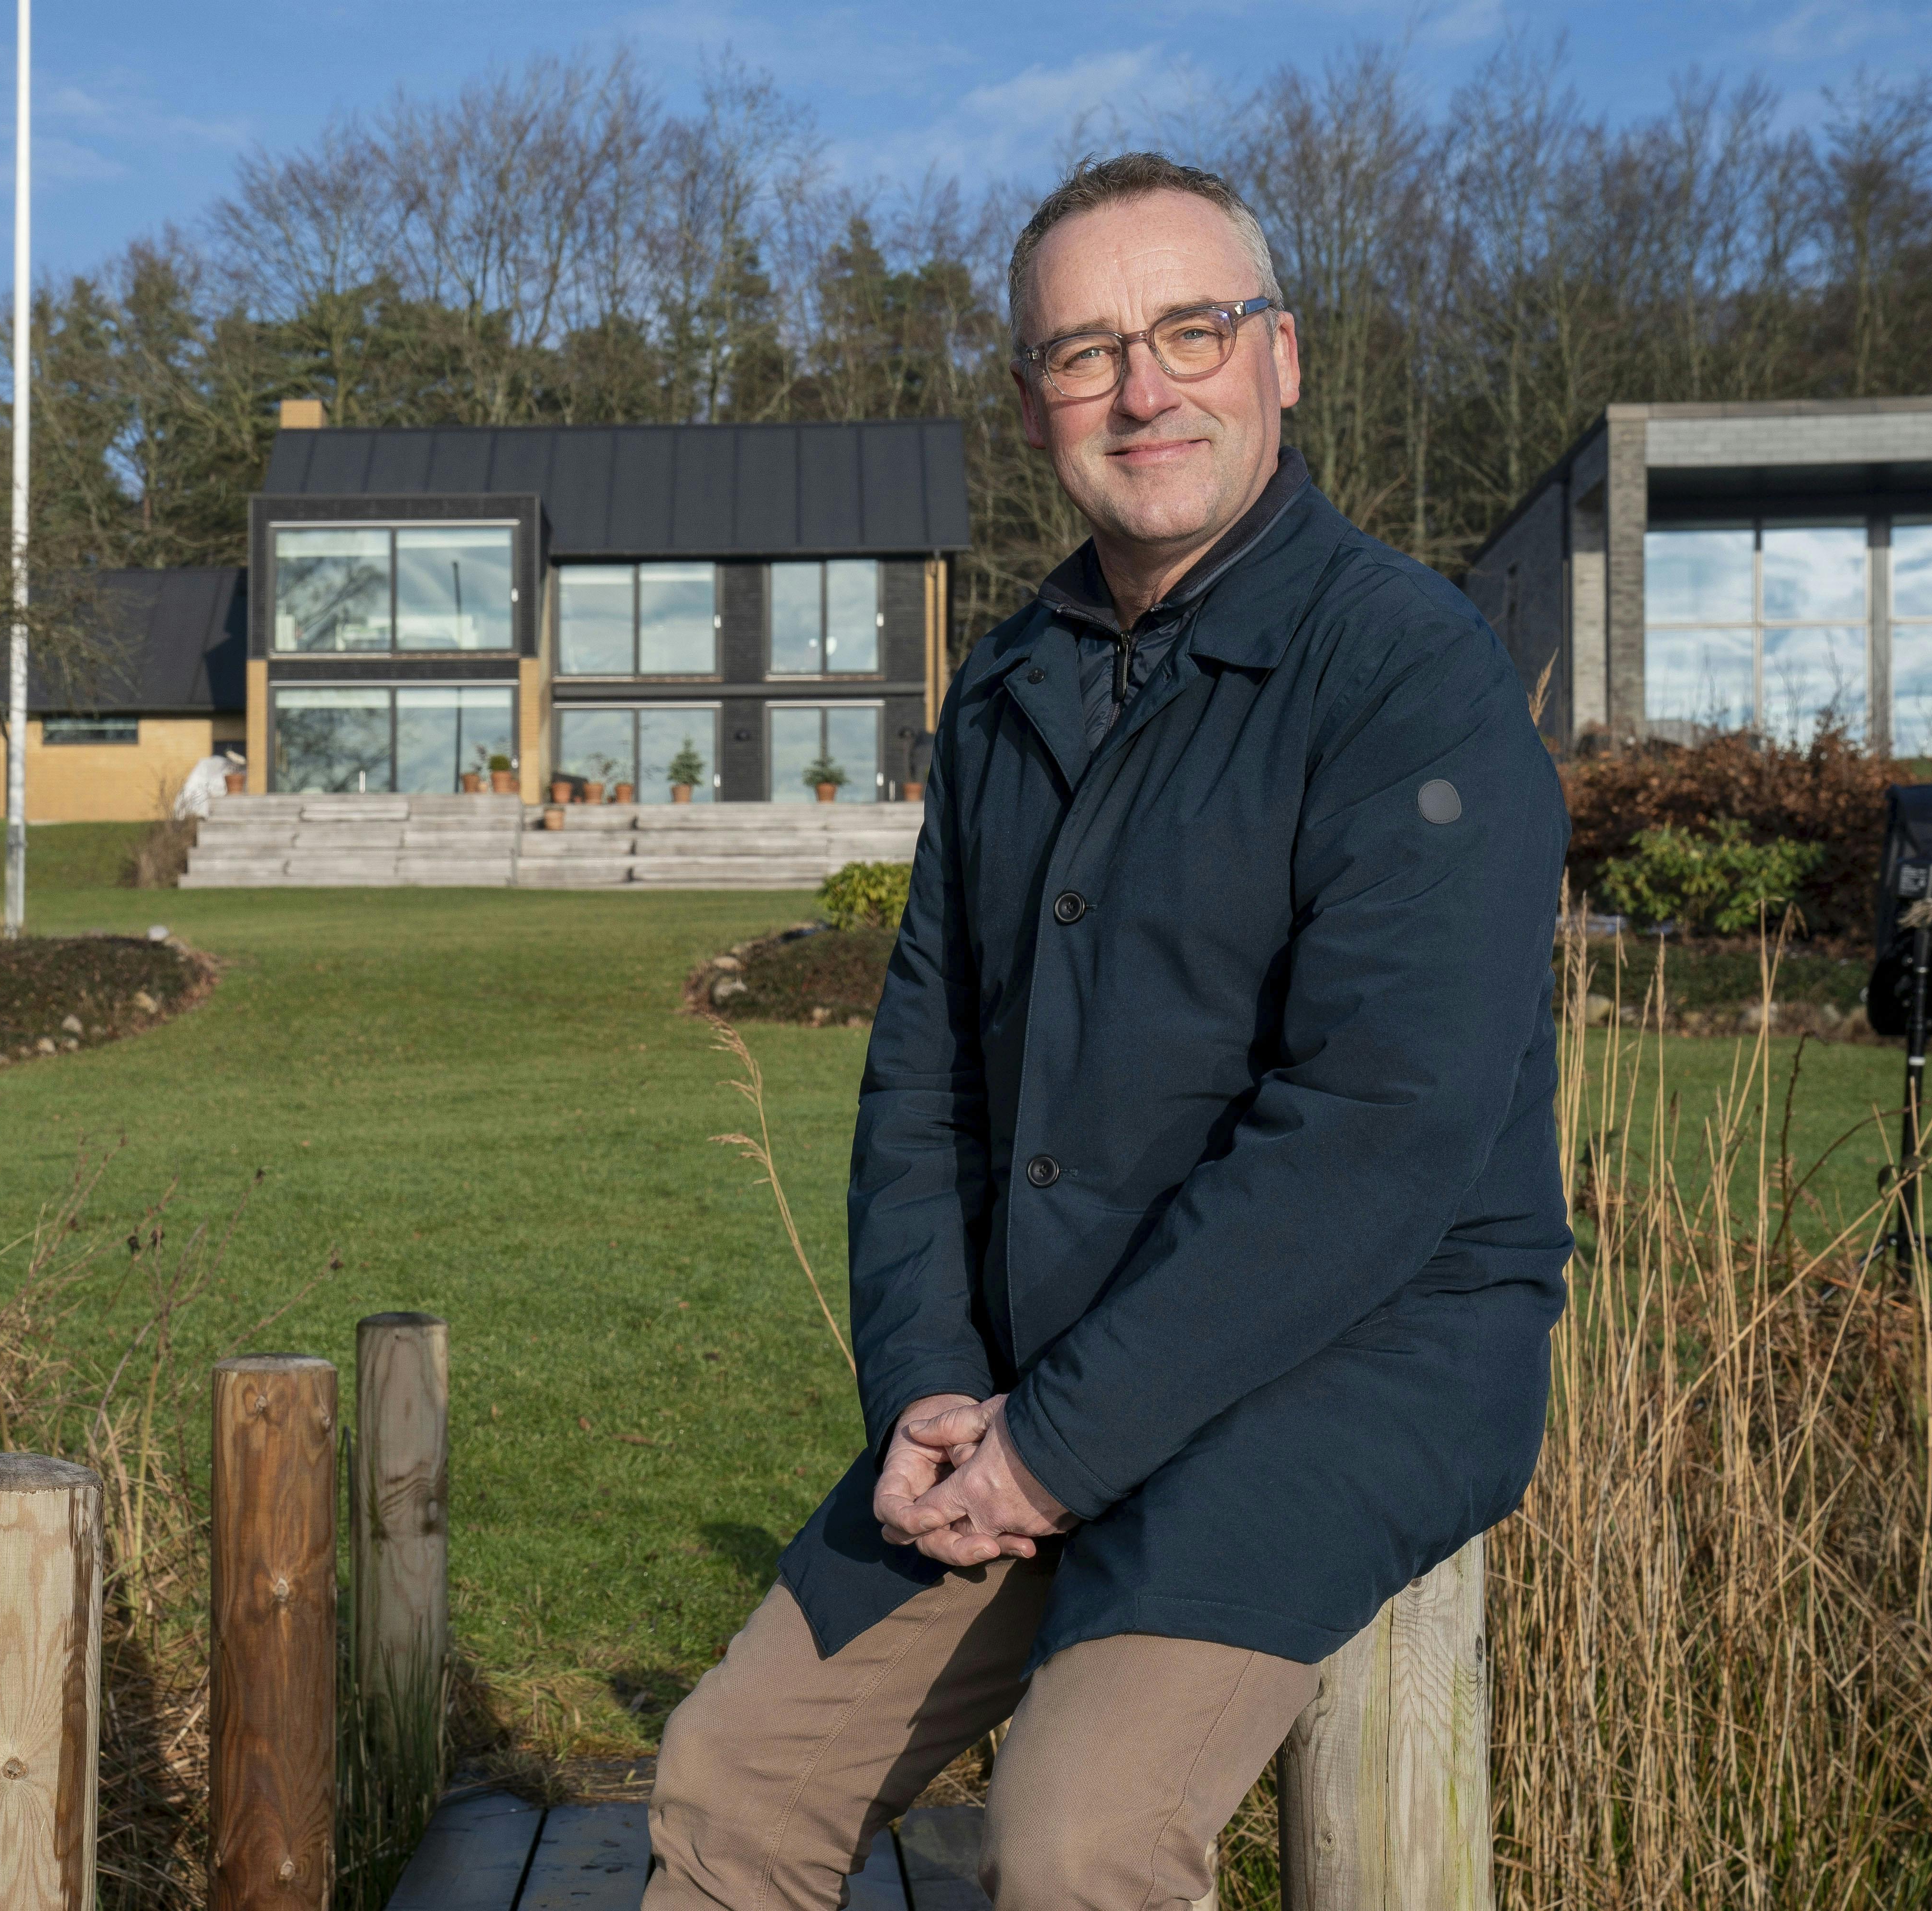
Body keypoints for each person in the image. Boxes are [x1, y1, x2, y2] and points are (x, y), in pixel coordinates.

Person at [644, 152, 1571, 1911]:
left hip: (1341, 1364)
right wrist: (928, 1381)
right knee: (729, 1772)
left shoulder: (1405, 670)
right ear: (1032, 405)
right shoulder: (1008, 687)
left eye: (1191, 330)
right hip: (1024, 1371)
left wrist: (1050, 1452)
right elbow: (927, 1081)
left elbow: (1379, 1132)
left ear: (1282, 357)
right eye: (1086, 352)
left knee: (1074, 1844)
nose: (1145, 390)